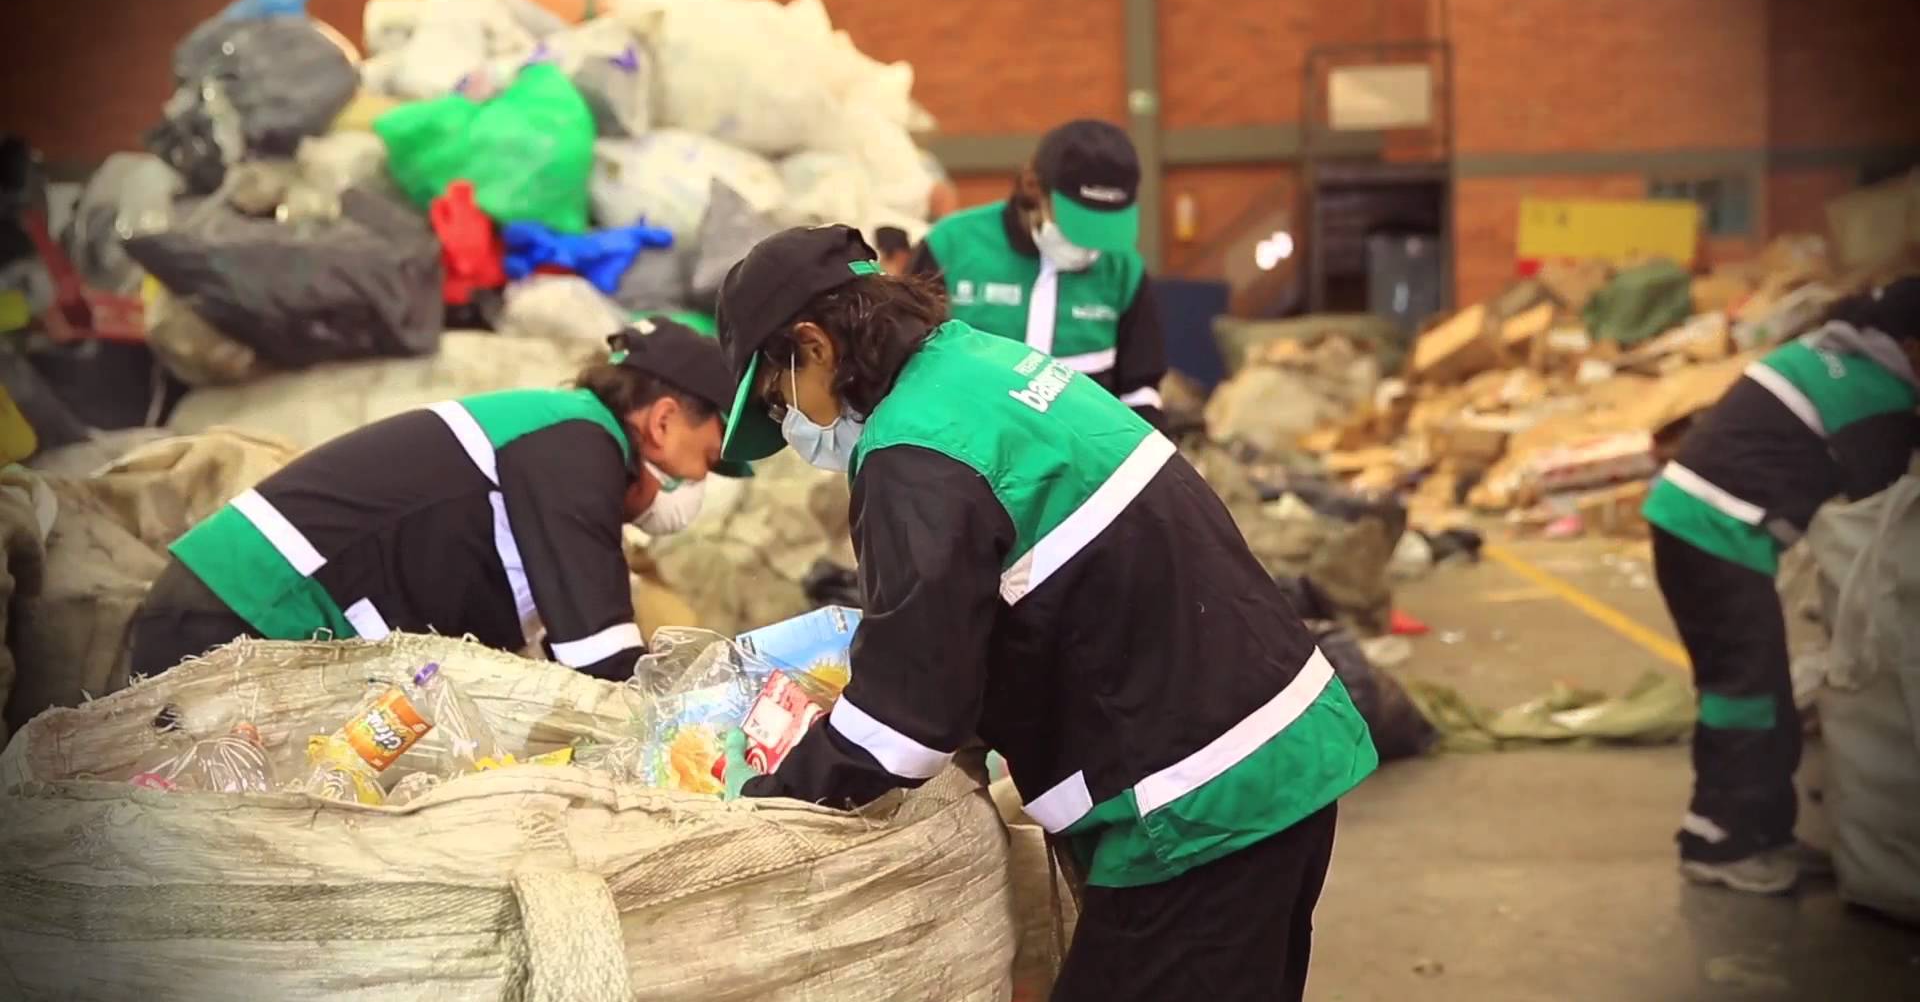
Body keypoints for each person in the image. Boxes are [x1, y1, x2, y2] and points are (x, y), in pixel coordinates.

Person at [712, 224, 1377, 1001]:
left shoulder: (913, 454)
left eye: (777, 395)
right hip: (1276, 750)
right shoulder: (980, 365)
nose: (790, 424)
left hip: (1200, 805)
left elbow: (904, 721)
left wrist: (765, 803)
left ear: (813, 346)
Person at [127, 317, 748, 681]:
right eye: (709, 460)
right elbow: (602, 662)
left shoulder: (556, 441)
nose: (698, 485)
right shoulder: (576, 443)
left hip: (239, 615)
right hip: (245, 615)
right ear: (663, 422)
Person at [1643, 276, 1920, 894]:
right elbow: (1885, 508)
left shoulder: (1833, 350)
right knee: (1745, 693)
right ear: (1910, 342)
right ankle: (1717, 844)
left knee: (1759, 686)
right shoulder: (1876, 394)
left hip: (1699, 525)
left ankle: (1764, 834)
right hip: (1713, 536)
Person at [908, 119, 1169, 428]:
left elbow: (1139, 390)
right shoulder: (951, 247)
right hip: (965, 450)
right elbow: (908, 369)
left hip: (1079, 460)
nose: (1090, 247)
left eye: (1103, 230)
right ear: (1033, 186)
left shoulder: (1122, 268)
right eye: (1079, 226)